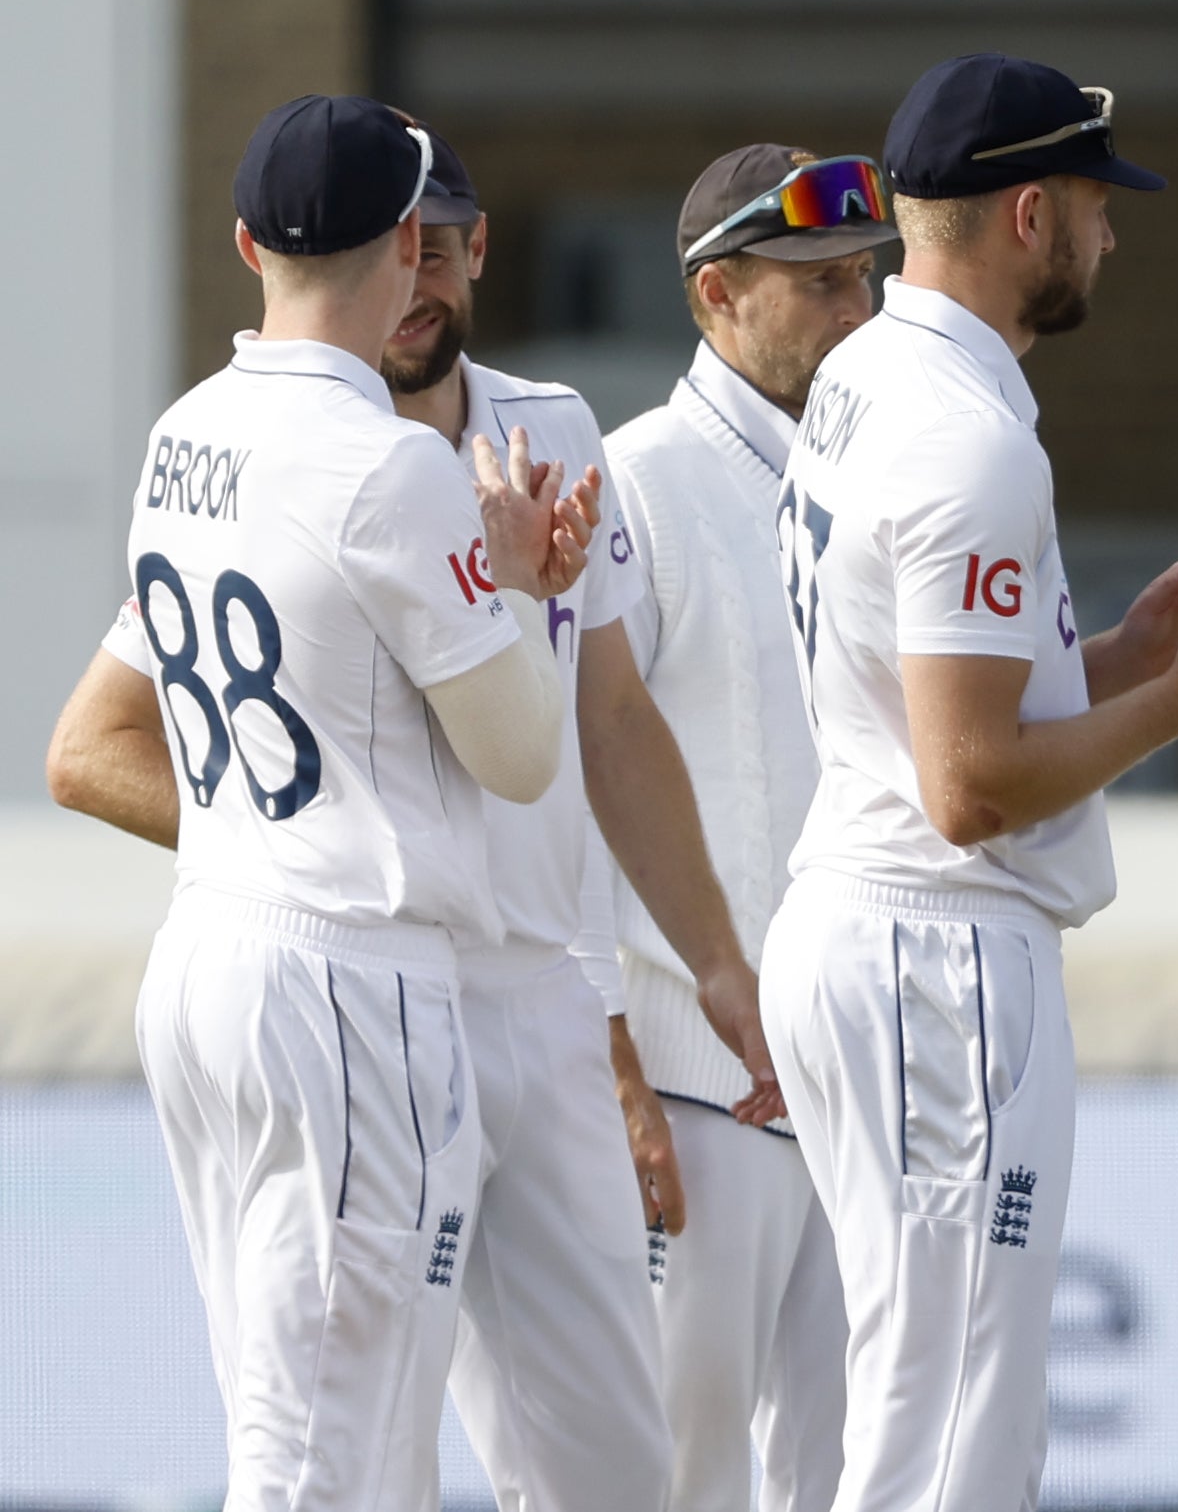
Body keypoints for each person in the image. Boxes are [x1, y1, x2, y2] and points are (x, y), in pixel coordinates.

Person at [761, 52, 1178, 1511]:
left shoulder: (868, 372)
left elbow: (935, 688)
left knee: (920, 1402)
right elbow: (973, 784)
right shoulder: (965, 432)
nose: (1110, 235)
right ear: (1025, 216)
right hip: (934, 948)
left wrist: (1128, 649)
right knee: (952, 1431)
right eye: (1091, 201)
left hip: (867, 921)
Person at [44, 95, 588, 1509]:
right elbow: (522, 752)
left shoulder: (185, 431)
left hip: (212, 957)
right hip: (349, 990)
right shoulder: (391, 462)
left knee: (313, 1429)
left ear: (247, 245)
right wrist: (520, 580)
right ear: (413, 246)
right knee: (322, 1460)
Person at [373, 120, 785, 1511]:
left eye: (441, 243)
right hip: (374, 992)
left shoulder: (550, 424)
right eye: (389, 246)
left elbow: (613, 722)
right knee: (357, 1456)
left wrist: (717, 970)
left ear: (480, 248)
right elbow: (94, 747)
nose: (417, 275)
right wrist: (295, 837)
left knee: (621, 1479)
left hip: (538, 1007)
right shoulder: (291, 455)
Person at [587, 142, 893, 1512]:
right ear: (718, 298)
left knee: (840, 1481)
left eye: (867, 279)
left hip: (844, 1085)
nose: (860, 311)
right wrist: (614, 1069)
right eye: (821, 283)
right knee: (674, 1483)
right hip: (690, 1092)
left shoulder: (883, 476)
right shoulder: (636, 484)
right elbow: (562, 789)